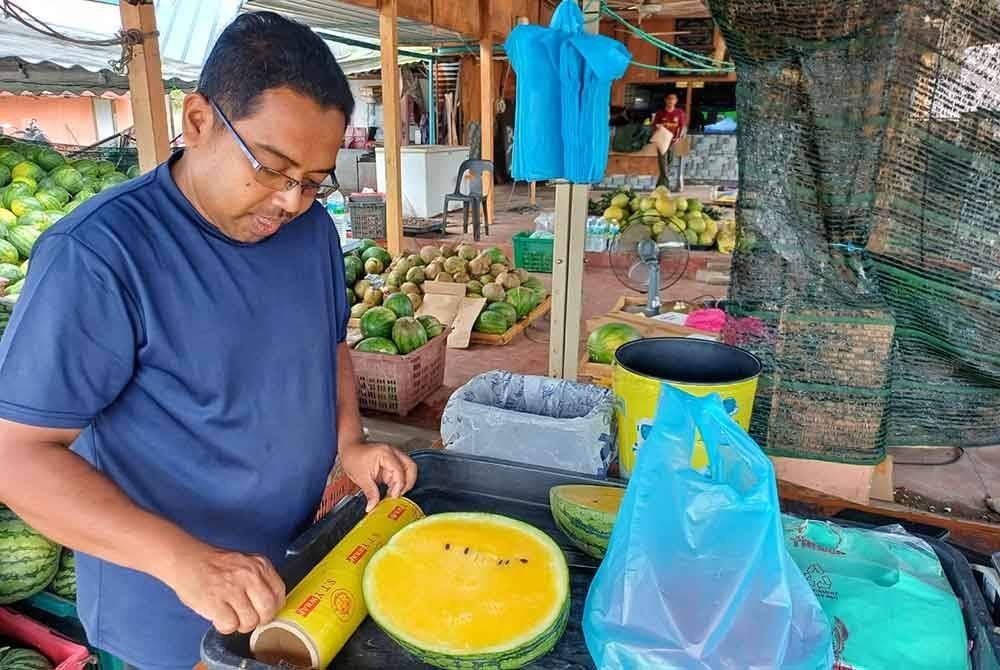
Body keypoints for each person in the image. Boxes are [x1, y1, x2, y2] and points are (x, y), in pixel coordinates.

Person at [0, 12, 416, 670]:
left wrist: (351, 444)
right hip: (169, 604)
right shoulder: (99, 256)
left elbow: (329, 346)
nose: (291, 201)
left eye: (313, 180)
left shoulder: (310, 232)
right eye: (272, 167)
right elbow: (17, 456)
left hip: (295, 564)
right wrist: (184, 562)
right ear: (197, 121)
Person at [652, 93, 687, 188]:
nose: (671, 101)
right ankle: (666, 186)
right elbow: (654, 125)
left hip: (673, 141)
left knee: (669, 163)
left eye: (673, 99)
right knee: (662, 163)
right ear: (665, 100)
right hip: (662, 141)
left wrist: (678, 137)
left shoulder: (679, 113)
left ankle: (659, 186)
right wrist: (659, 126)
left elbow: (682, 127)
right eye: (669, 99)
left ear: (676, 101)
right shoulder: (660, 113)